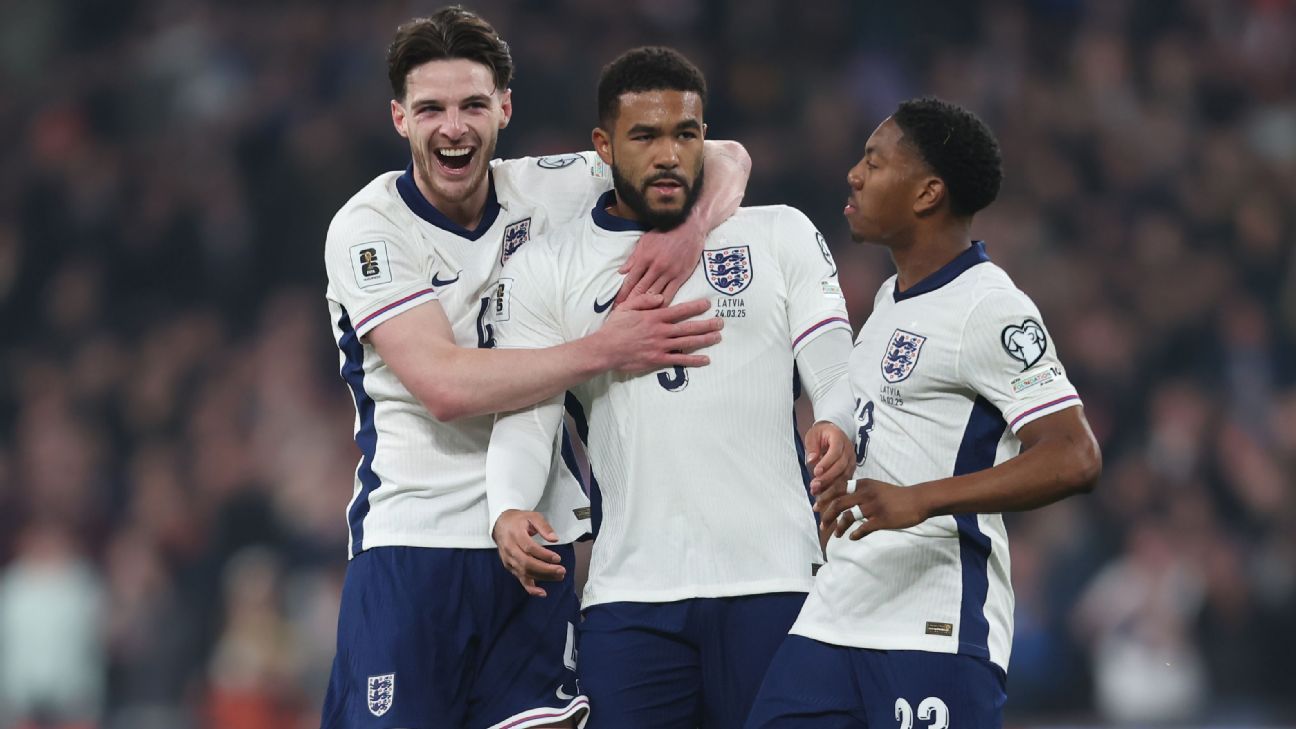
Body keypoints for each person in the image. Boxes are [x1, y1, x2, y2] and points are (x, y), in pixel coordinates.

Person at [320, 9, 753, 729]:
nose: (453, 128)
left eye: (472, 105)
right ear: (399, 118)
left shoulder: (549, 187)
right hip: (415, 543)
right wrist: (605, 349)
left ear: (504, 109)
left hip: (536, 542)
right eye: (430, 109)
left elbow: (727, 156)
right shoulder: (369, 227)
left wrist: (690, 231)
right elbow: (444, 386)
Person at [485, 46, 857, 728]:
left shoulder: (779, 233)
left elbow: (832, 354)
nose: (667, 154)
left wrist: (836, 418)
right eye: (645, 136)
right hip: (632, 597)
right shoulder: (547, 268)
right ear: (604, 146)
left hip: (777, 579)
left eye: (685, 134)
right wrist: (508, 505)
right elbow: (528, 413)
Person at [745, 97, 1103, 728]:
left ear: (928, 193)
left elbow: (1075, 456)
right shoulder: (891, 298)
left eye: (875, 162)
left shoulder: (989, 307)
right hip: (837, 614)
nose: (854, 174)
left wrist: (921, 499)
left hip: (934, 627)